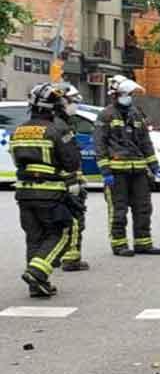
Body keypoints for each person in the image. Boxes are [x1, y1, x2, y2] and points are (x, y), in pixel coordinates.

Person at [11, 83, 83, 297]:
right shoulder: (57, 129)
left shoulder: (19, 130)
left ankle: (36, 286)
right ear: (52, 107)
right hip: (50, 193)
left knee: (34, 237)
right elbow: (71, 162)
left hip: (23, 193)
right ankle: (36, 272)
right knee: (61, 233)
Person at [95, 76, 160, 257]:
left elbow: (145, 142)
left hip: (139, 170)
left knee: (143, 207)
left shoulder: (136, 113)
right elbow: (99, 144)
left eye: (131, 94)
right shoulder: (106, 115)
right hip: (117, 172)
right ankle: (119, 244)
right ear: (115, 95)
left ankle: (143, 243)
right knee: (119, 209)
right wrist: (105, 171)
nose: (129, 97)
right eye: (126, 94)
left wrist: (154, 164)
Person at [55, 83, 89, 272]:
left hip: (55, 182)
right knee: (73, 218)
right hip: (65, 182)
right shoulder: (60, 126)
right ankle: (71, 258)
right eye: (73, 102)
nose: (75, 106)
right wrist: (73, 181)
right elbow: (68, 158)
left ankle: (61, 256)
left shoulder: (58, 122)